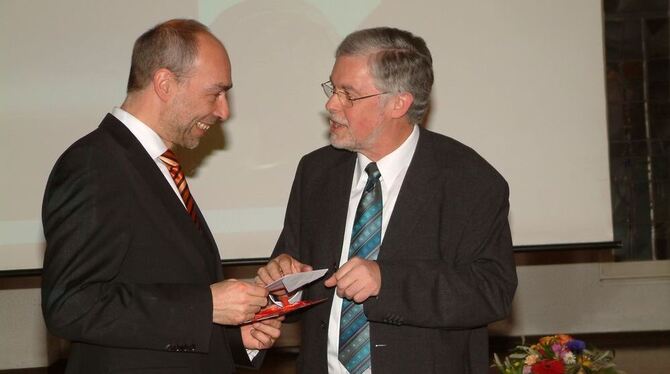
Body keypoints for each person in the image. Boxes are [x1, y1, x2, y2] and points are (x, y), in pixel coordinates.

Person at [256, 27, 517, 374]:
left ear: (398, 102)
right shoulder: (316, 171)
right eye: (333, 89)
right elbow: (295, 269)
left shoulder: (469, 181)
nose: (331, 104)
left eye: (349, 94)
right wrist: (281, 279)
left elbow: (491, 291)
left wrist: (386, 281)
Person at [41, 19, 281, 374]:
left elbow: (157, 294)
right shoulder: (95, 164)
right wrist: (206, 306)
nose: (223, 111)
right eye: (215, 93)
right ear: (165, 84)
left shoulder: (150, 164)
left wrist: (233, 337)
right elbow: (70, 304)